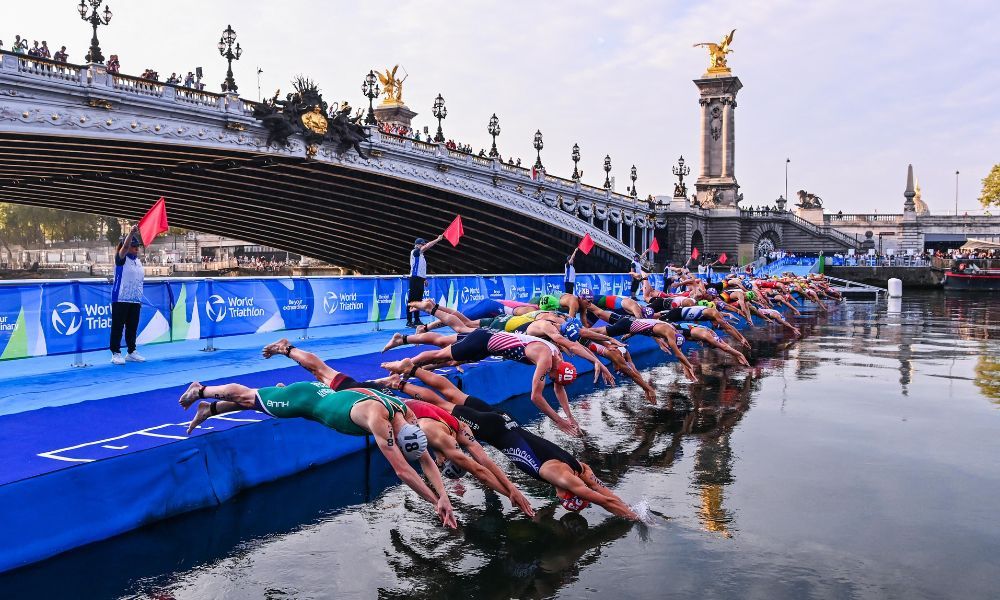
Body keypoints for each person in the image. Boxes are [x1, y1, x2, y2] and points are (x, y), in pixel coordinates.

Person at [259, 338, 535, 516]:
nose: (438, 463)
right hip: (375, 403)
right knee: (322, 375)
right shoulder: (441, 439)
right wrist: (510, 493)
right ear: (445, 458)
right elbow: (479, 469)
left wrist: (513, 488)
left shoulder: (459, 429)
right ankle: (287, 359)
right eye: (442, 463)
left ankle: (288, 350)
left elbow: (483, 460)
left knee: (323, 371)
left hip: (385, 399)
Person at [179, 378, 457, 528]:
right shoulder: (379, 422)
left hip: (322, 397)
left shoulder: (405, 412)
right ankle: (202, 390)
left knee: (264, 404)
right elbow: (403, 471)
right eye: (395, 440)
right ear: (396, 434)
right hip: (308, 399)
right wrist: (435, 502)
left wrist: (443, 494)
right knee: (249, 397)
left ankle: (211, 410)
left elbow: (423, 458)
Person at [386, 367, 641, 520]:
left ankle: (409, 374)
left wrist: (627, 505)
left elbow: (604, 492)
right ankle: (401, 384)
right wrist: (634, 517)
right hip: (494, 430)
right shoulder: (560, 477)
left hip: (508, 421)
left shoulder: (580, 468)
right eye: (563, 498)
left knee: (455, 395)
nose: (558, 496)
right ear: (568, 494)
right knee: (443, 406)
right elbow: (601, 500)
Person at [381, 328, 584, 436]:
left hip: (488, 342)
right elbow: (536, 396)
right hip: (485, 342)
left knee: (444, 346)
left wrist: (570, 417)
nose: (551, 379)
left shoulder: (558, 360)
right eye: (553, 377)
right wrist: (558, 421)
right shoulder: (546, 358)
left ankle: (403, 340)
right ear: (558, 370)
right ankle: (403, 365)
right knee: (440, 355)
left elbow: (559, 389)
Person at [110, 226, 145, 365]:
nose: (136, 248)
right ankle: (116, 353)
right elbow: (124, 247)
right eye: (133, 246)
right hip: (121, 298)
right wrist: (131, 233)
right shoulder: (121, 258)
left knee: (132, 327)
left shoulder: (138, 261)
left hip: (135, 299)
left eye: (137, 246)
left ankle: (131, 352)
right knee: (118, 326)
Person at [406, 234, 444, 328]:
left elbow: (421, 268)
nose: (423, 246)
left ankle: (417, 320)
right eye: (422, 245)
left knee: (418, 301)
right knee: (412, 300)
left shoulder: (421, 255)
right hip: (415, 279)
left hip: (419, 279)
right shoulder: (415, 252)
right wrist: (437, 239)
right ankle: (409, 320)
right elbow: (428, 246)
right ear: (418, 245)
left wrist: (424, 279)